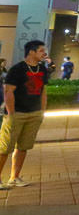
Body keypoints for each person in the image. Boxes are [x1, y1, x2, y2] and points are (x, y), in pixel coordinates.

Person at [0, 41, 50, 189]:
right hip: (17, 113)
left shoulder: (42, 69)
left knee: (24, 146)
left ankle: (14, 177)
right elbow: (9, 92)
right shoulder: (17, 69)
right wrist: (11, 113)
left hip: (34, 113)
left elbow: (43, 91)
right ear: (31, 52)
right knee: (4, 148)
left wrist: (41, 111)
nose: (44, 54)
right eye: (41, 51)